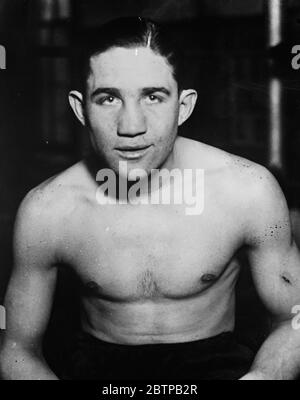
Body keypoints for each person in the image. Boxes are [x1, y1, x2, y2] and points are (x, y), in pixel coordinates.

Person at [1, 16, 300, 380]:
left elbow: (293, 319)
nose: (131, 126)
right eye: (108, 98)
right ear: (81, 109)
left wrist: (263, 377)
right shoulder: (47, 210)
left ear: (184, 106)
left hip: (216, 367)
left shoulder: (248, 189)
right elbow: (18, 348)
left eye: (153, 97)